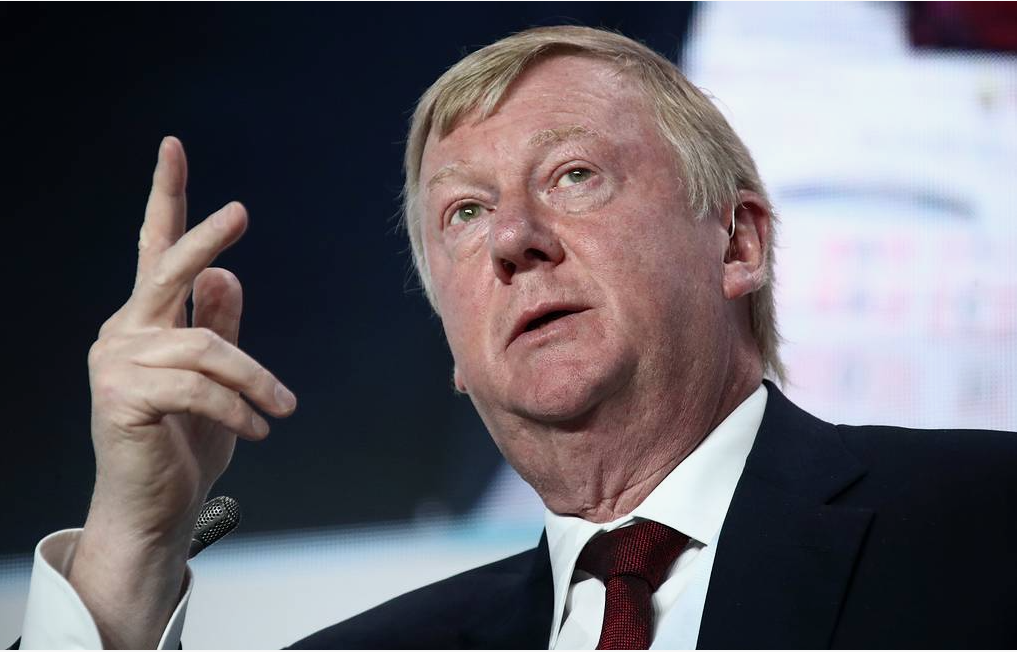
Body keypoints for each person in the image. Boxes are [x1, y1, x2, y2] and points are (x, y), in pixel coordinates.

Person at [18, 25, 1017, 650]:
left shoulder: (986, 525)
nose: (510, 240)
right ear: (454, 349)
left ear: (739, 243)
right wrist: (128, 547)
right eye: (462, 213)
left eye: (573, 175)